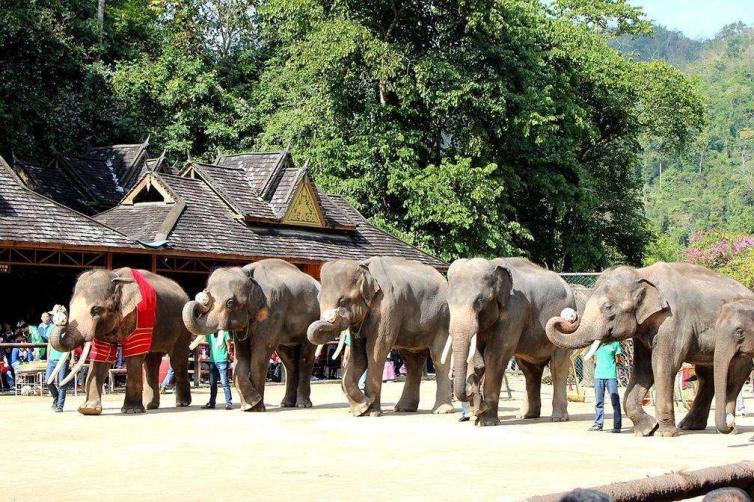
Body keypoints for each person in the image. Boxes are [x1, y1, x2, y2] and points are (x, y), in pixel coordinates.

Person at [587, 341, 622, 432]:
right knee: (599, 402)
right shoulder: (596, 344)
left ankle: (617, 426)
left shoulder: (615, 343)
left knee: (615, 402)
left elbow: (618, 359)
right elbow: (593, 359)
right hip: (598, 376)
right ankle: (598, 425)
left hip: (611, 376)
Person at [199, 330, 233, 410]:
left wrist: (228, 355)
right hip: (213, 361)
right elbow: (203, 338)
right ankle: (212, 403)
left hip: (222, 360)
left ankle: (228, 403)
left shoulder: (224, 332)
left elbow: (228, 345)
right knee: (212, 383)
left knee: (224, 382)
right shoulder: (210, 334)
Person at [45, 333, 68, 412]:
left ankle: (60, 405)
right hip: (52, 359)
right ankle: (56, 397)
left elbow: (72, 345)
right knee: (48, 381)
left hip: (63, 359)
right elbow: (49, 344)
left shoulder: (68, 331)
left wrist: (72, 358)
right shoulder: (52, 329)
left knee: (62, 383)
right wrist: (48, 358)